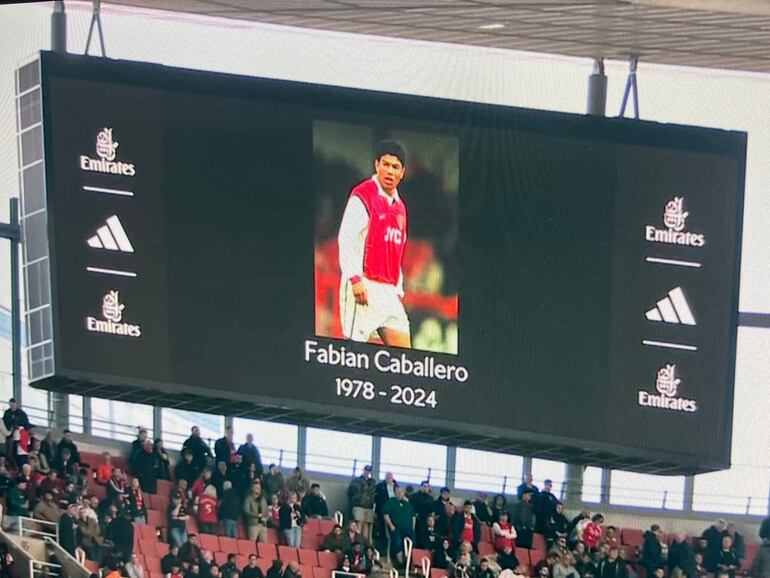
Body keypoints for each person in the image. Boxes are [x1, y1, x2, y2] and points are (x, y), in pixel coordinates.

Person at [337, 140, 411, 348]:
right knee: (353, 358)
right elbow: (346, 238)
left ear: (402, 172)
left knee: (405, 360)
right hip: (363, 286)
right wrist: (355, 279)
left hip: (388, 293)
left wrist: (398, 289)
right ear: (376, 165)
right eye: (385, 164)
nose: (389, 171)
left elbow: (397, 252)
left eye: (395, 167)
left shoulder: (401, 208)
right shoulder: (363, 195)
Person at [383, 485, 416, 566]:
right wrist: (391, 526)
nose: (400, 493)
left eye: (401, 492)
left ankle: (409, 563)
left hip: (408, 529)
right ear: (394, 493)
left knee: (413, 543)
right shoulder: (390, 502)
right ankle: (400, 563)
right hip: (396, 528)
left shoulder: (407, 504)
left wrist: (413, 527)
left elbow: (413, 516)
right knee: (397, 543)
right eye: (398, 492)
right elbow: (385, 515)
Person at [348, 465, 377, 541]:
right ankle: (357, 540)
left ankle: (364, 542)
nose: (368, 472)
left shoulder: (372, 482)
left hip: (369, 506)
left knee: (367, 525)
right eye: (366, 470)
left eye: (369, 471)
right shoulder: (357, 480)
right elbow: (350, 492)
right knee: (359, 524)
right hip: (359, 505)